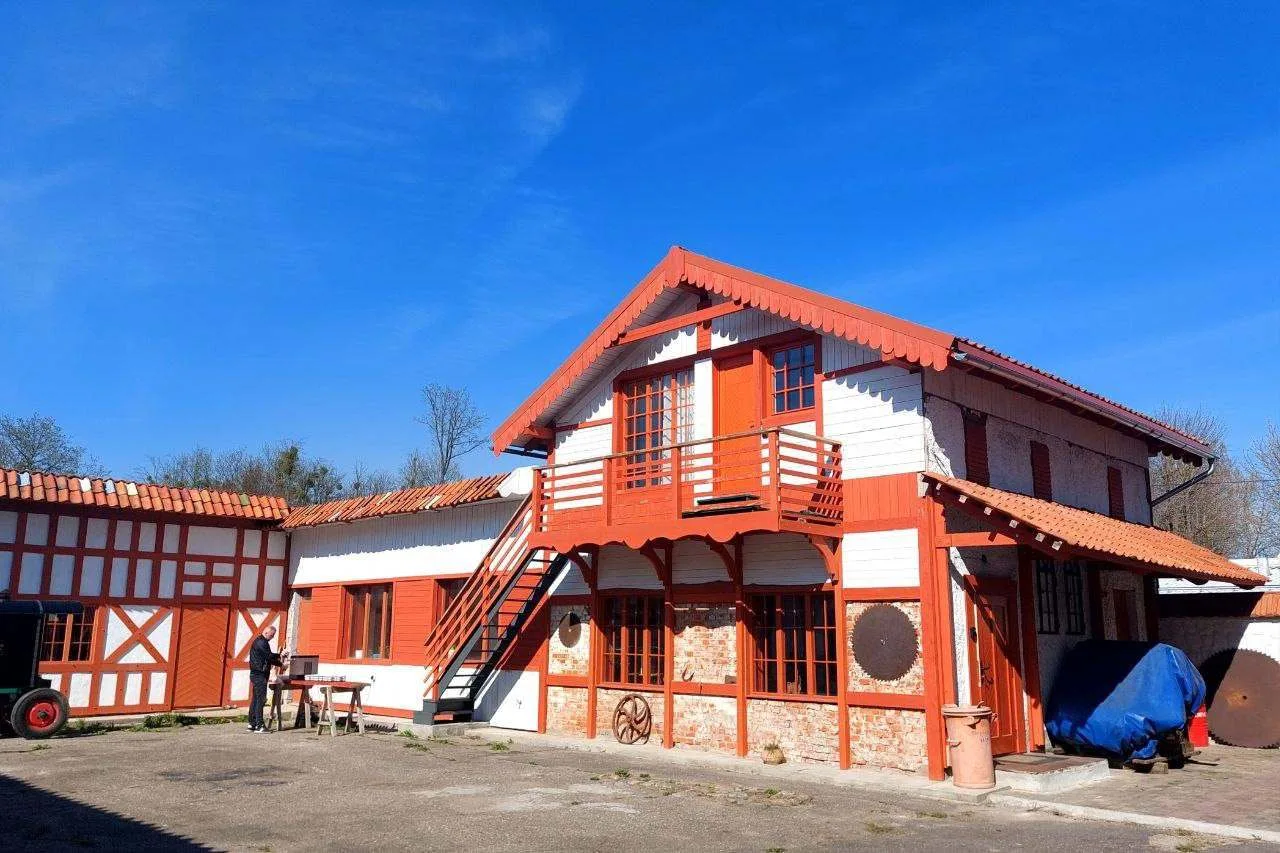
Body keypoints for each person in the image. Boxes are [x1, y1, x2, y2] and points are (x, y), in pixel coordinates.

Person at [247, 625, 283, 733]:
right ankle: (260, 725)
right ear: (266, 632)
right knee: (260, 700)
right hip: (259, 675)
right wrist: (281, 662)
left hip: (257, 674)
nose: (272, 637)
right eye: (272, 635)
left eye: (273, 635)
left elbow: (268, 656)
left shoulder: (261, 641)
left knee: (256, 699)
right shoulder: (261, 642)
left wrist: (280, 656)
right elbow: (269, 657)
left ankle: (252, 723)